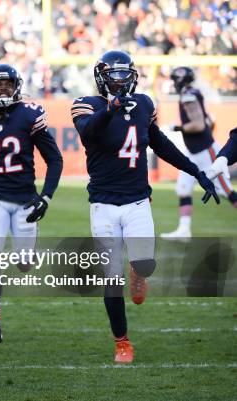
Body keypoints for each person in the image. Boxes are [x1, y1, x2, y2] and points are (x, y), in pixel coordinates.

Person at [71, 51, 218, 364]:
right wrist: (109, 109)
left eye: (125, 73)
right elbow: (87, 133)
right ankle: (122, 342)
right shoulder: (87, 104)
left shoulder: (144, 104)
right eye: (114, 74)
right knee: (110, 281)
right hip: (103, 204)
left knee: (146, 264)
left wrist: (197, 171)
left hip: (138, 200)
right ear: (101, 76)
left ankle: (138, 272)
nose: (121, 80)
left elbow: (159, 143)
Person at [0, 64, 63, 344]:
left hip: (25, 200)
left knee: (24, 264)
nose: (3, 88)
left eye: (8, 84)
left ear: (17, 86)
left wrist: (46, 197)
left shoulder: (29, 115)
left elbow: (55, 159)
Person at [161, 67, 237, 241]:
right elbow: (209, 121)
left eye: (175, 79)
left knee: (227, 192)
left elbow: (199, 125)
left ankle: (184, 229)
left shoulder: (188, 95)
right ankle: (184, 230)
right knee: (183, 188)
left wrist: (175, 127)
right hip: (194, 152)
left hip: (205, 151)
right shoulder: (192, 92)